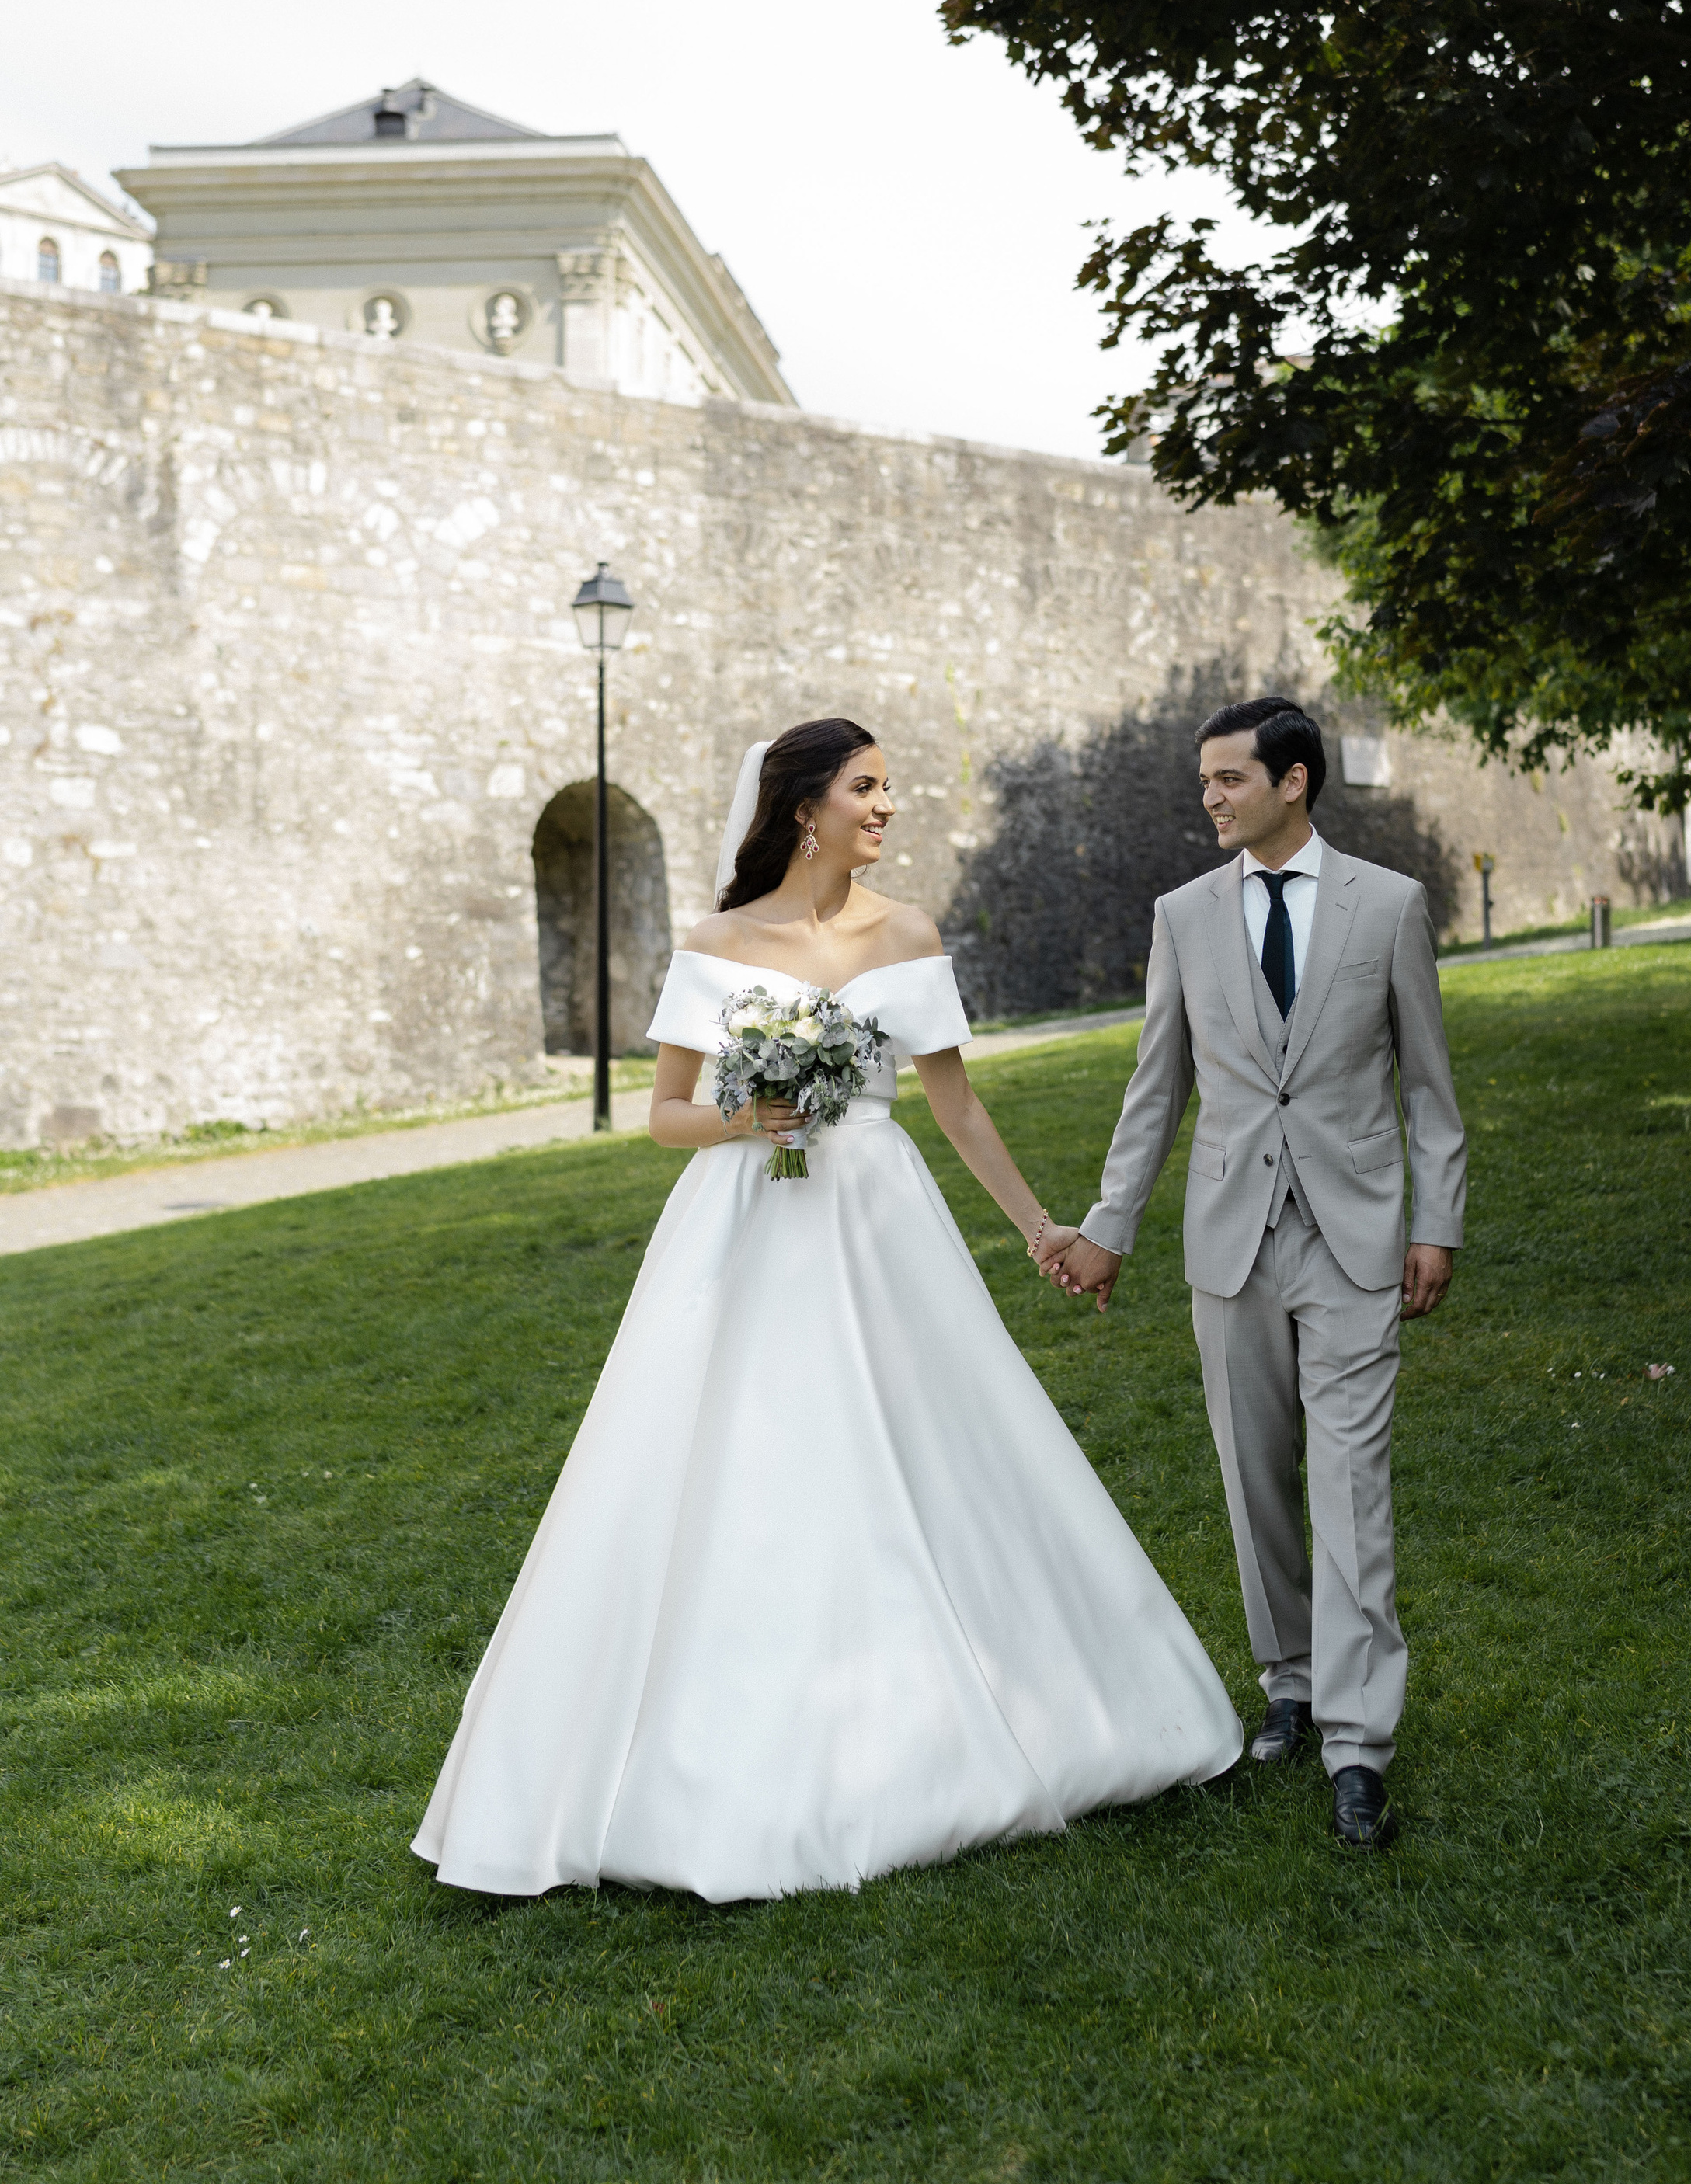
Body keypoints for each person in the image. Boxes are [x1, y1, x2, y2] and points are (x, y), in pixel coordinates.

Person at [413, 717, 1240, 1903]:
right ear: (805, 807)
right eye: (867, 788)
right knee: (745, 1457)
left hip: (878, 1217)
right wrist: (754, 1120)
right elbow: (665, 1117)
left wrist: (1039, 1229)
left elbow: (956, 1107)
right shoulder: (717, 941)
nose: (887, 807)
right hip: (748, 1225)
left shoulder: (906, 933)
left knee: (935, 1440)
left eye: (890, 789)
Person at [1039, 697, 1466, 1851]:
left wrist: (1440, 1224)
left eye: (1230, 779)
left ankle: (1359, 1745)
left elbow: (1428, 1089)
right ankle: (1289, 1680)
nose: (1213, 800)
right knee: (1254, 1480)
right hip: (1231, 1236)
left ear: (1295, 783)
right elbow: (1155, 1092)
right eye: (1206, 784)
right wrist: (1107, 1227)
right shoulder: (1183, 916)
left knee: (1350, 1485)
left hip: (1357, 1238)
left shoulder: (1390, 907)